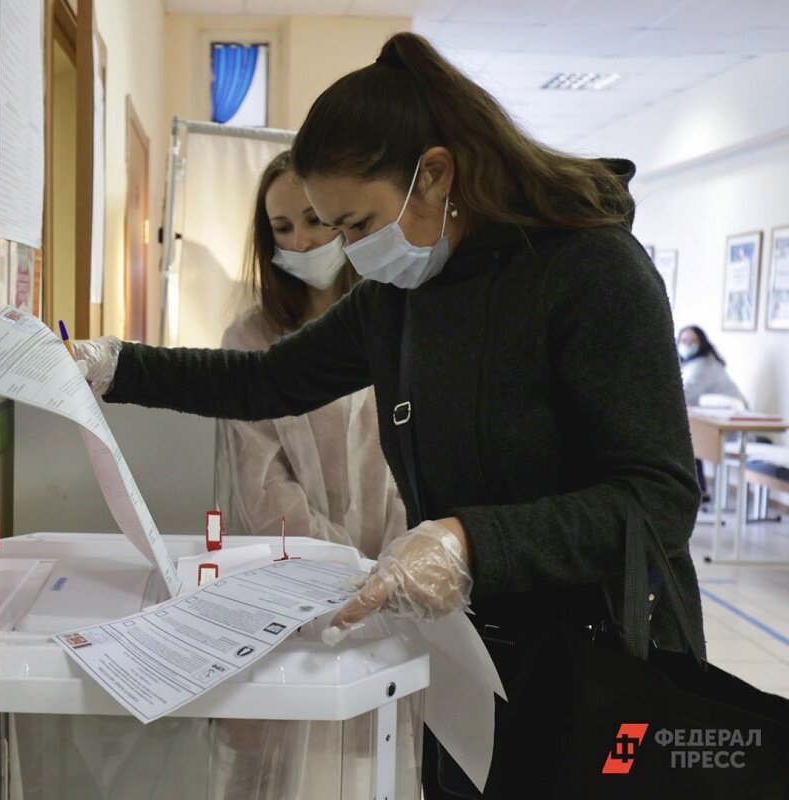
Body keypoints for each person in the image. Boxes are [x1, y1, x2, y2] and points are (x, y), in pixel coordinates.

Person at [75, 32, 703, 797]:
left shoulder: (591, 272)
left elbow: (659, 498)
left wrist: (471, 540)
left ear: (435, 175)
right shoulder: (401, 298)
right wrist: (113, 368)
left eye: (356, 224)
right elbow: (267, 381)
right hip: (473, 655)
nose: (341, 250)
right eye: (330, 225)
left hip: (599, 660)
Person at [217, 150, 408, 560]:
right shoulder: (250, 337)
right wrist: (345, 564)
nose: (300, 243)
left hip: (401, 570)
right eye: (282, 228)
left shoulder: (396, 319)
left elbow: (417, 461)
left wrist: (394, 561)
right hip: (296, 570)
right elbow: (263, 484)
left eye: (315, 220)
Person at [677, 324, 746, 502]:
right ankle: (698, 489)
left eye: (693, 341)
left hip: (732, 424)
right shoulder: (690, 364)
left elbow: (683, 394)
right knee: (688, 438)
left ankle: (698, 491)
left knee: (686, 439)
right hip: (711, 420)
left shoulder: (704, 365)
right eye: (684, 341)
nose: (687, 345)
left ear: (702, 343)